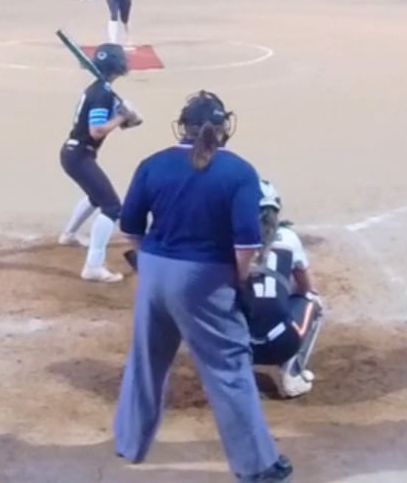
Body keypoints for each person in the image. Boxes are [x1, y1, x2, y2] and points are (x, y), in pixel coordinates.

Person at [114, 91, 292, 482]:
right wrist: (238, 280)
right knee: (228, 368)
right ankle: (257, 467)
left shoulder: (153, 163)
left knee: (146, 359)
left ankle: (129, 441)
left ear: (183, 127)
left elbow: (130, 228)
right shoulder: (239, 171)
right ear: (225, 128)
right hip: (204, 278)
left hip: (154, 270)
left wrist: (153, 261)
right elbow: (246, 244)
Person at [58, 43, 141, 283]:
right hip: (78, 155)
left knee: (96, 196)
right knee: (111, 207)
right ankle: (93, 266)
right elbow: (97, 131)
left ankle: (69, 235)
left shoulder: (102, 90)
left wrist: (129, 117)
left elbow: (122, 124)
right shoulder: (102, 93)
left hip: (75, 153)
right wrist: (122, 116)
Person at [243, 181, 324, 400]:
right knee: (313, 300)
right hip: (282, 344)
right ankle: (292, 374)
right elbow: (306, 287)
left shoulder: (231, 239)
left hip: (240, 347)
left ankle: (231, 374)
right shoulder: (288, 237)